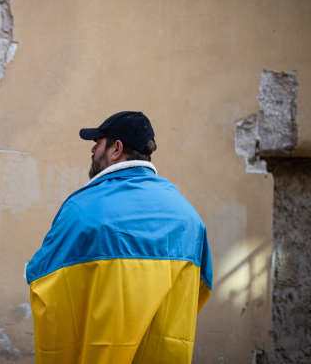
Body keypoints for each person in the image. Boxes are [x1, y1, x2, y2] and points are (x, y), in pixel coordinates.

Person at [26, 111, 213, 364]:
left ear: (116, 149)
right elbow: (199, 292)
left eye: (98, 142)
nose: (93, 150)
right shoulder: (189, 217)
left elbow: (44, 283)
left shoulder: (82, 211)